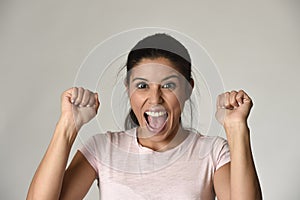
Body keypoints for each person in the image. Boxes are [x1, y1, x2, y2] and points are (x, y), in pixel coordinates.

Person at [27, 33, 262, 199]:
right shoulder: (102, 148)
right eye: (142, 86)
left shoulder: (212, 152)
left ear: (188, 89)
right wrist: (68, 126)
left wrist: (237, 128)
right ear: (128, 89)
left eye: (168, 85)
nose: (155, 98)